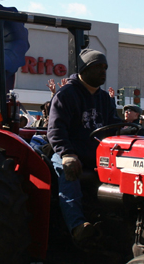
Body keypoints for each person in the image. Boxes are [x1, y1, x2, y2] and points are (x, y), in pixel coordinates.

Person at [48, 49, 120, 242]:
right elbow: (56, 129)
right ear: (84, 69)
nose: (103, 71)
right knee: (68, 171)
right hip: (71, 152)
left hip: (98, 155)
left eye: (105, 67)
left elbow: (114, 126)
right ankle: (77, 225)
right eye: (98, 67)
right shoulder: (65, 95)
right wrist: (67, 154)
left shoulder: (105, 99)